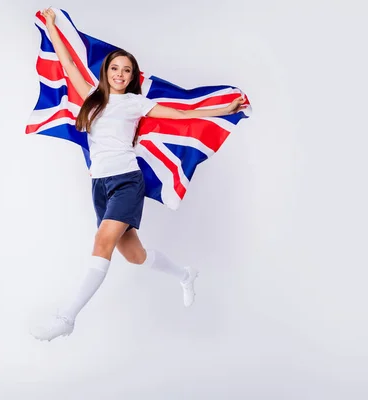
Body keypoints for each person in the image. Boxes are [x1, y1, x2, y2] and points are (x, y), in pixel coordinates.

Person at [30, 8, 246, 342]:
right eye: (115, 68)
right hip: (99, 184)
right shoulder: (91, 96)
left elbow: (180, 113)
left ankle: (66, 318)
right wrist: (53, 27)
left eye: (126, 70)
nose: (119, 73)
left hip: (127, 181)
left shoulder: (135, 104)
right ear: (107, 71)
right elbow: (67, 63)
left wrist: (223, 109)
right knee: (134, 255)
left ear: (132, 77)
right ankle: (185, 274)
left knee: (102, 242)